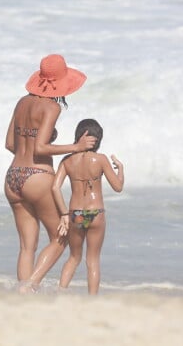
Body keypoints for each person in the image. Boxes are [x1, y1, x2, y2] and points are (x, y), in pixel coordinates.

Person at [4, 54, 96, 293]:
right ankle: (30, 285)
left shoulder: (22, 102)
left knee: (27, 246)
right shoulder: (51, 106)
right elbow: (41, 148)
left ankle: (24, 295)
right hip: (38, 175)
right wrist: (76, 147)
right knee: (62, 236)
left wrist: (38, 139)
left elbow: (10, 144)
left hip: (13, 175)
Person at [52, 119, 124, 295]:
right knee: (92, 260)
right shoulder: (100, 159)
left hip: (76, 213)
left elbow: (55, 187)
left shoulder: (68, 161)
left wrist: (63, 214)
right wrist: (120, 168)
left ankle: (61, 293)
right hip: (96, 213)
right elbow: (118, 187)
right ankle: (92, 300)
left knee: (74, 257)